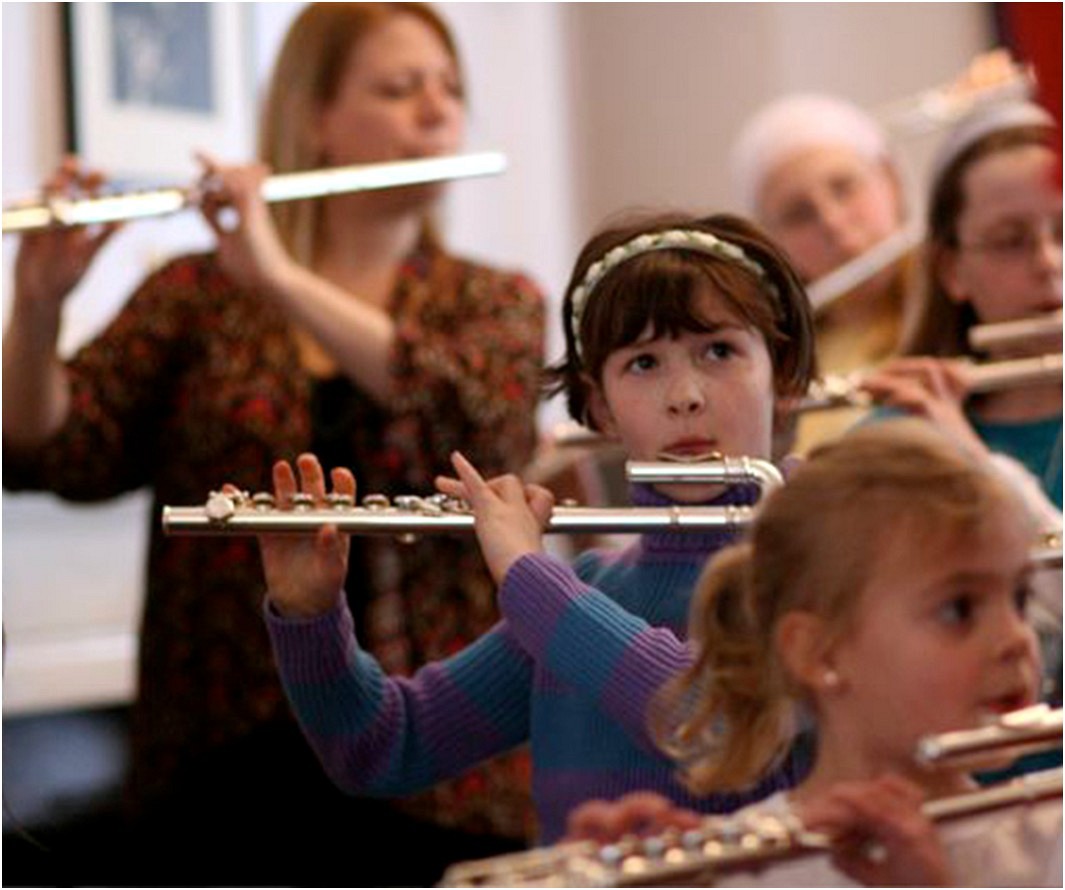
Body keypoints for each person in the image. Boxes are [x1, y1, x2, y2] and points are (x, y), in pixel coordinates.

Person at [2, 3, 544, 884]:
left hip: (446, 772)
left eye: (449, 89)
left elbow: (478, 412)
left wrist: (281, 277)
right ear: (316, 119)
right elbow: (50, 449)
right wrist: (36, 306)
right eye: (400, 88)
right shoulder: (198, 296)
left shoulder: (491, 301)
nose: (437, 111)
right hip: (224, 765)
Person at [256, 212, 818, 848]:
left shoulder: (824, 565)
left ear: (786, 377)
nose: (684, 394)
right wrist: (309, 614)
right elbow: (380, 748)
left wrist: (528, 576)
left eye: (719, 351)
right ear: (600, 405)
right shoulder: (582, 595)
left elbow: (710, 723)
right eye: (643, 363)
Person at [566, 420, 1061, 887]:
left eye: (1019, 598)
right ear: (818, 653)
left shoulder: (1049, 839)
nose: (1017, 638)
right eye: (959, 609)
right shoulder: (751, 864)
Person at [731, 92, 914, 452]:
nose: (832, 222)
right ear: (772, 243)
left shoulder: (963, 308)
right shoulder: (780, 367)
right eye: (799, 214)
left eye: (844, 187)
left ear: (890, 180)